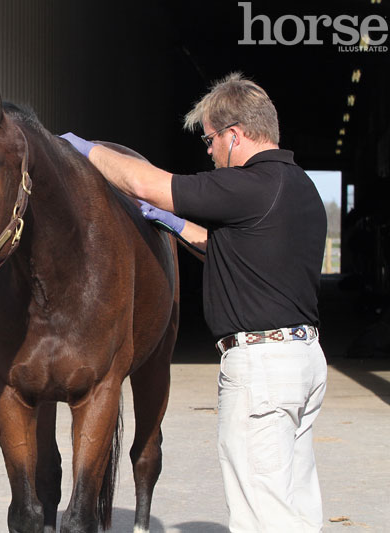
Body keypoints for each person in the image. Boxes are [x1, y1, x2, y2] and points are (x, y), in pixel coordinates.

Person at [61, 73, 328, 532]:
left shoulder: (251, 184)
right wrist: (174, 224)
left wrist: (83, 149)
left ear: (234, 135)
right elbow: (234, 247)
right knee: (294, 499)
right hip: (302, 362)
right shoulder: (298, 187)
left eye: (209, 139)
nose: (207, 150)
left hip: (262, 369)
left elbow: (146, 182)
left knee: (261, 509)